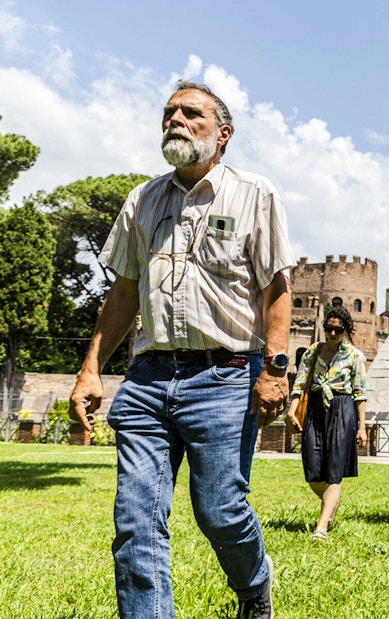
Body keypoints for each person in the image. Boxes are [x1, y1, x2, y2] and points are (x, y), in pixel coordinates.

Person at [69, 80, 296, 619]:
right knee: (135, 520)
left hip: (224, 376)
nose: (174, 119)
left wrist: (276, 370)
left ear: (223, 134)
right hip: (147, 380)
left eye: (190, 113)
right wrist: (90, 369)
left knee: (219, 511)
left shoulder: (254, 194)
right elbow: (123, 292)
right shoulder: (142, 200)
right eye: (168, 112)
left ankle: (254, 587)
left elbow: (277, 291)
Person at [285, 306, 367, 541]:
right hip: (316, 409)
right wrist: (292, 412)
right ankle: (332, 502)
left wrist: (361, 426)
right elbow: (299, 383)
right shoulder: (313, 351)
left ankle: (321, 527)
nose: (332, 333)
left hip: (343, 408)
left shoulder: (355, 356)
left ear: (346, 330)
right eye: (328, 328)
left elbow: (360, 393)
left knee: (334, 468)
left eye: (337, 329)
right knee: (312, 469)